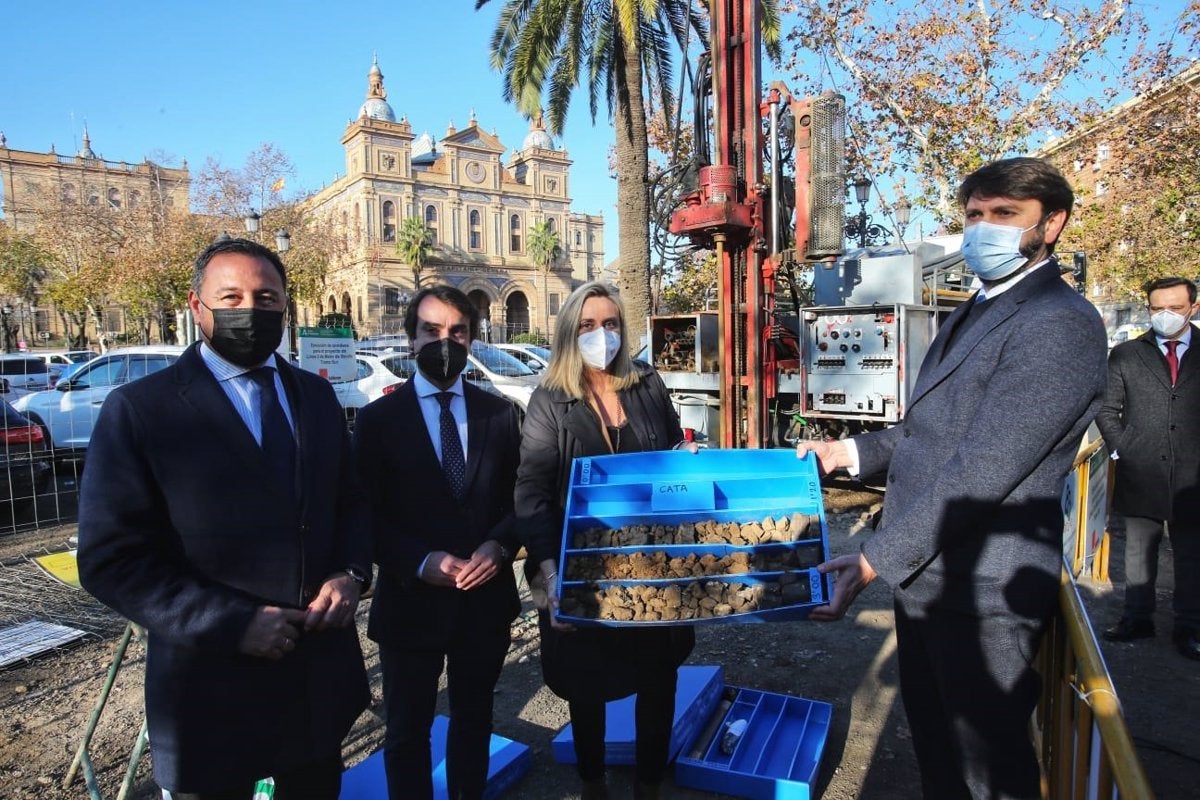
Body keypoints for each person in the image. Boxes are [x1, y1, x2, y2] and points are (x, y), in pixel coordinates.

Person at [797, 158, 1108, 800]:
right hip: (931, 580)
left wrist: (873, 560)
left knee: (986, 771)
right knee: (938, 752)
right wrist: (843, 454)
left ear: (1053, 224)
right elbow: (926, 434)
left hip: (984, 592)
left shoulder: (1058, 323)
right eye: (974, 215)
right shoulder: (978, 308)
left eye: (1004, 215)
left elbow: (983, 467)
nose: (982, 230)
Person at [77, 238, 371, 800]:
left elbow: (350, 502)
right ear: (196, 305)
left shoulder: (316, 397)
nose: (251, 310)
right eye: (231, 296)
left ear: (286, 307)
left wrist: (351, 573)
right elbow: (112, 559)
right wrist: (232, 623)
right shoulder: (142, 410)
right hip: (211, 693)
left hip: (314, 688)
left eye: (266, 297)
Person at [515, 281, 697, 800]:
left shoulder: (647, 383)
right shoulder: (549, 399)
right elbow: (532, 492)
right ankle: (592, 783)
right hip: (581, 572)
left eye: (611, 323)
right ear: (571, 332)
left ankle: (648, 785)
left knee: (659, 678)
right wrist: (552, 575)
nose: (602, 335)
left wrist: (688, 461)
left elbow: (671, 449)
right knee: (587, 684)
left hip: (655, 566)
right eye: (589, 325)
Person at [354, 285, 522, 800]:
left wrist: (499, 547)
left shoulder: (499, 414)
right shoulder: (377, 420)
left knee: (474, 724)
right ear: (410, 339)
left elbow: (522, 500)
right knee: (407, 733)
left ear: (472, 339)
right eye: (431, 330)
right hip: (410, 604)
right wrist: (418, 561)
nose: (444, 341)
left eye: (457, 332)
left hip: (483, 603)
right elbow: (363, 514)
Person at [1096, 276, 1200, 660]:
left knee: (1192, 555)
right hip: (1141, 470)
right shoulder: (1126, 354)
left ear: (1193, 307)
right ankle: (1137, 618)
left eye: (1175, 307)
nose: (1166, 315)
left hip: (1194, 476)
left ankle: (1190, 626)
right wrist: (1123, 448)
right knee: (1139, 551)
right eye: (1158, 308)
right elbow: (1107, 411)